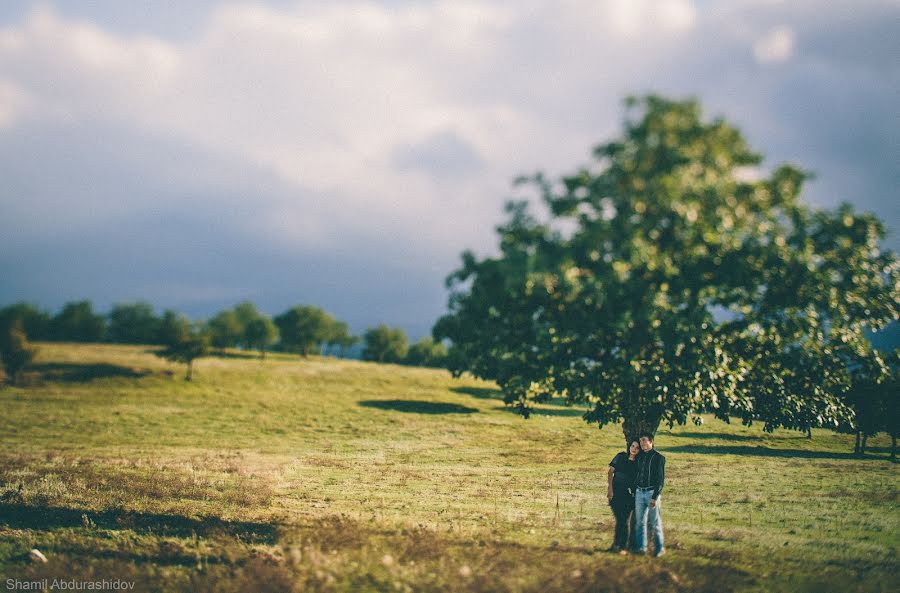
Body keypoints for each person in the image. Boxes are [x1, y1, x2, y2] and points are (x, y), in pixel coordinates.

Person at [633, 433, 666, 557]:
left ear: (651, 441)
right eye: (640, 441)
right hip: (639, 493)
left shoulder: (659, 458)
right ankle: (641, 548)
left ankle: (659, 549)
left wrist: (655, 497)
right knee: (640, 522)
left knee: (655, 523)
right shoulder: (640, 457)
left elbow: (660, 480)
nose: (641, 443)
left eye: (644, 441)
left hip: (652, 493)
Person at [607, 440, 640, 553]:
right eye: (632, 446)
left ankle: (621, 546)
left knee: (623, 520)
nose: (634, 449)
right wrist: (610, 489)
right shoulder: (620, 457)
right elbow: (610, 472)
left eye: (637, 447)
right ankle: (618, 545)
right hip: (616, 492)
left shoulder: (638, 463)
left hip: (628, 494)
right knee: (620, 519)